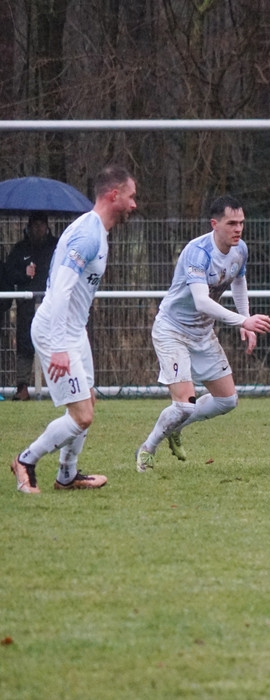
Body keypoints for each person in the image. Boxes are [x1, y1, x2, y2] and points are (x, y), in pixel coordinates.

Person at [10, 165, 137, 494]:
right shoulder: (87, 235)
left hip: (73, 330)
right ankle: (25, 460)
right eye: (131, 196)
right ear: (114, 195)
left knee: (88, 401)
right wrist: (59, 346)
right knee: (81, 416)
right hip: (58, 330)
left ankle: (67, 475)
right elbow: (61, 291)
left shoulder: (97, 231)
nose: (134, 204)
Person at [135, 195, 270, 472]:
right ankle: (148, 448)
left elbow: (239, 281)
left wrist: (245, 319)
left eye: (241, 223)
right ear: (214, 224)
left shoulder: (240, 249)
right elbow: (201, 302)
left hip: (202, 333)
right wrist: (243, 321)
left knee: (227, 401)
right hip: (172, 330)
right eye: (231, 223)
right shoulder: (198, 252)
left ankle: (176, 426)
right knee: (184, 405)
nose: (238, 229)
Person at [5, 212, 58, 401]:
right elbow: (8, 274)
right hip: (26, 305)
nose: (38, 229)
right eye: (35, 225)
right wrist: (24, 274)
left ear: (47, 226)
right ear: (29, 227)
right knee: (25, 344)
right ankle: (22, 387)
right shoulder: (20, 249)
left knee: (54, 344)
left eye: (42, 225)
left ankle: (59, 387)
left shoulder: (56, 246)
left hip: (51, 303)